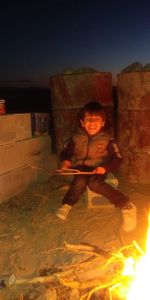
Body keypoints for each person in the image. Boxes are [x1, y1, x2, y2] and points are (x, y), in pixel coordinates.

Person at [56, 101, 137, 232]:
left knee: (94, 183)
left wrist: (105, 168)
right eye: (88, 120)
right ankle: (67, 205)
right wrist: (65, 162)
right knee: (80, 179)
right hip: (80, 167)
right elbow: (65, 152)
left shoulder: (108, 140)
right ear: (82, 122)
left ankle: (126, 205)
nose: (92, 123)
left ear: (103, 123)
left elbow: (118, 158)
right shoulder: (75, 138)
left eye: (96, 120)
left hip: (99, 167)